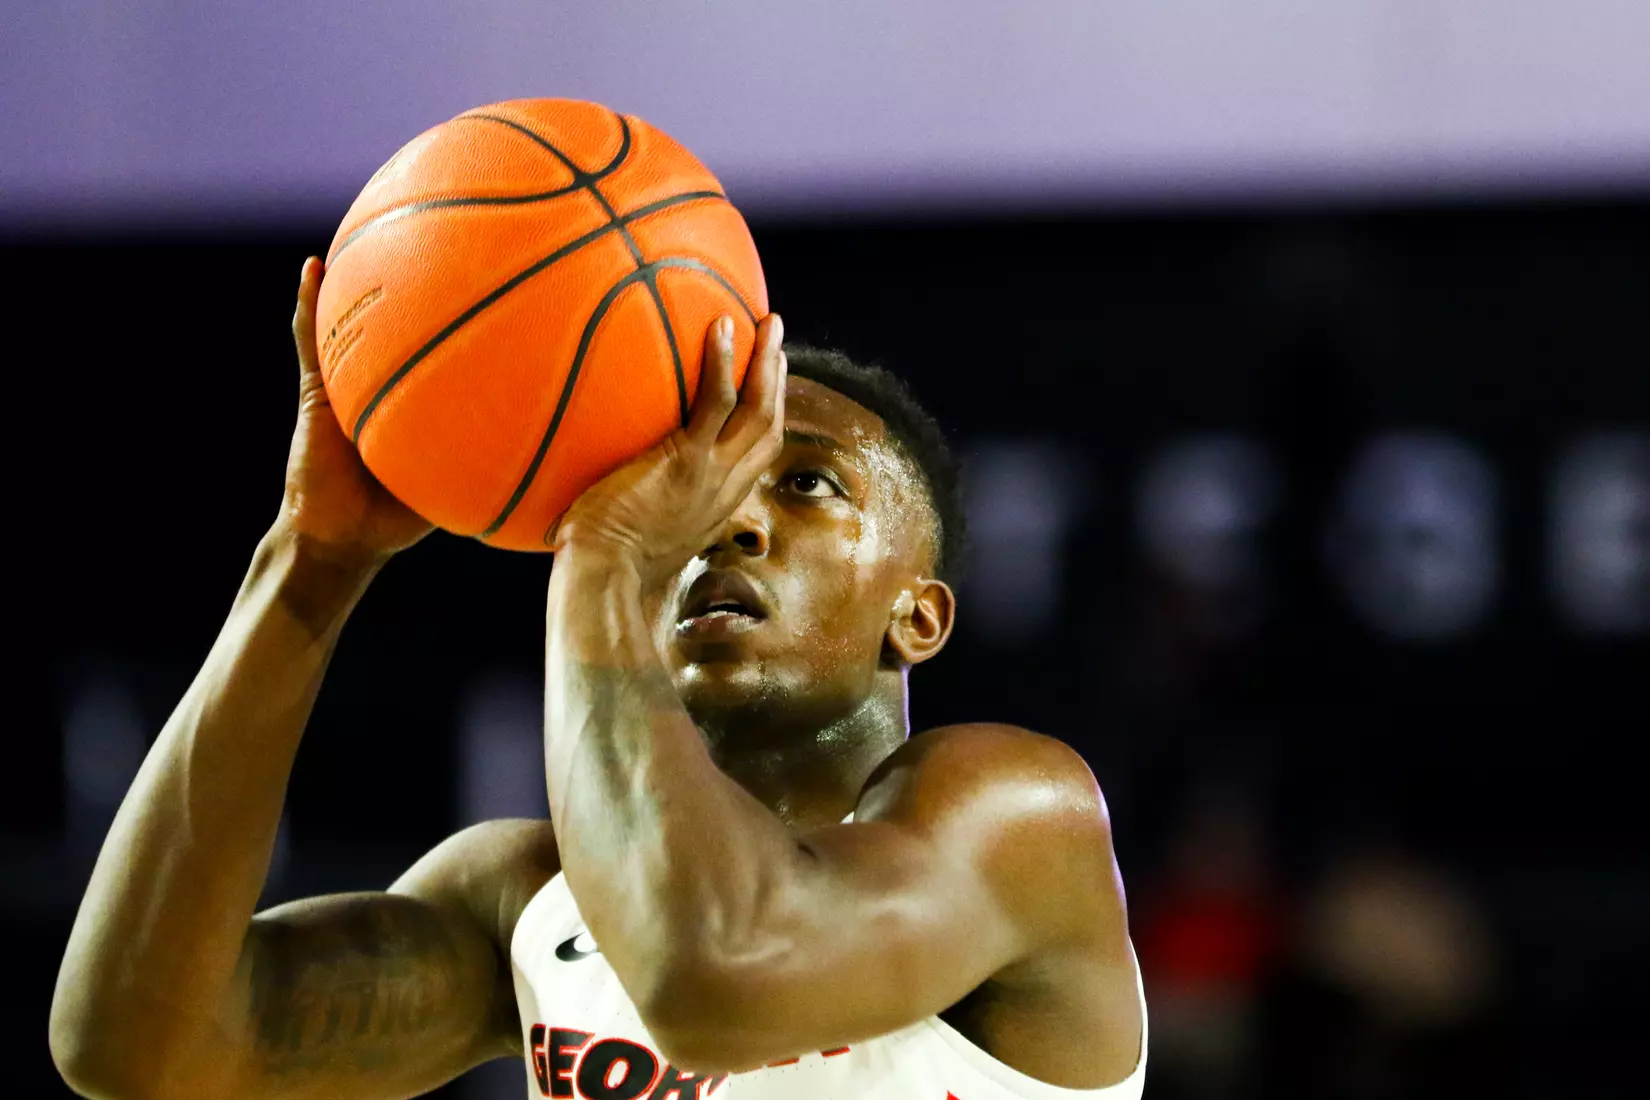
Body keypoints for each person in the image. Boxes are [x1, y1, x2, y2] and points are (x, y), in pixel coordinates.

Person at [50, 258, 1146, 1100]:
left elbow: (712, 978)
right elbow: (138, 1047)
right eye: (695, 492)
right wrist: (309, 567)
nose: (736, 521)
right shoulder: (524, 896)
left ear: (920, 613)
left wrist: (607, 548)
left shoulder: (1015, 811)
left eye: (806, 482)